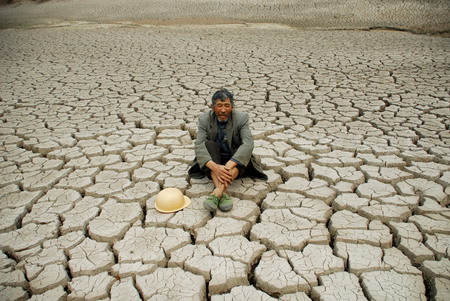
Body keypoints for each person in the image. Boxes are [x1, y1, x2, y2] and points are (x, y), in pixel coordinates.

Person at [188, 89, 267, 212]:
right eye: (219, 106)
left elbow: (248, 143)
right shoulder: (204, 119)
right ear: (213, 107)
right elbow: (199, 145)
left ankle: (217, 192)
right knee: (208, 144)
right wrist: (214, 166)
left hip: (234, 159)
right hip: (215, 157)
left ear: (232, 107)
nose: (223, 110)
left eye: (227, 106)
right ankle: (223, 193)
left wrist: (229, 165)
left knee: (242, 152)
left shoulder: (241, 118)